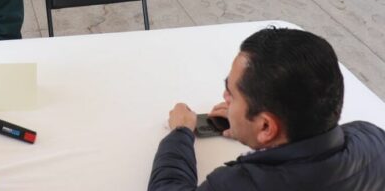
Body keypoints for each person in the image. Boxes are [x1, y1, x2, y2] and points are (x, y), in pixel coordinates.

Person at [148, 27, 385, 191]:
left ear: (266, 126)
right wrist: (251, 130)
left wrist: (180, 133)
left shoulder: (241, 184)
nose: (224, 98)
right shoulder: (373, 138)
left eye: (230, 92)